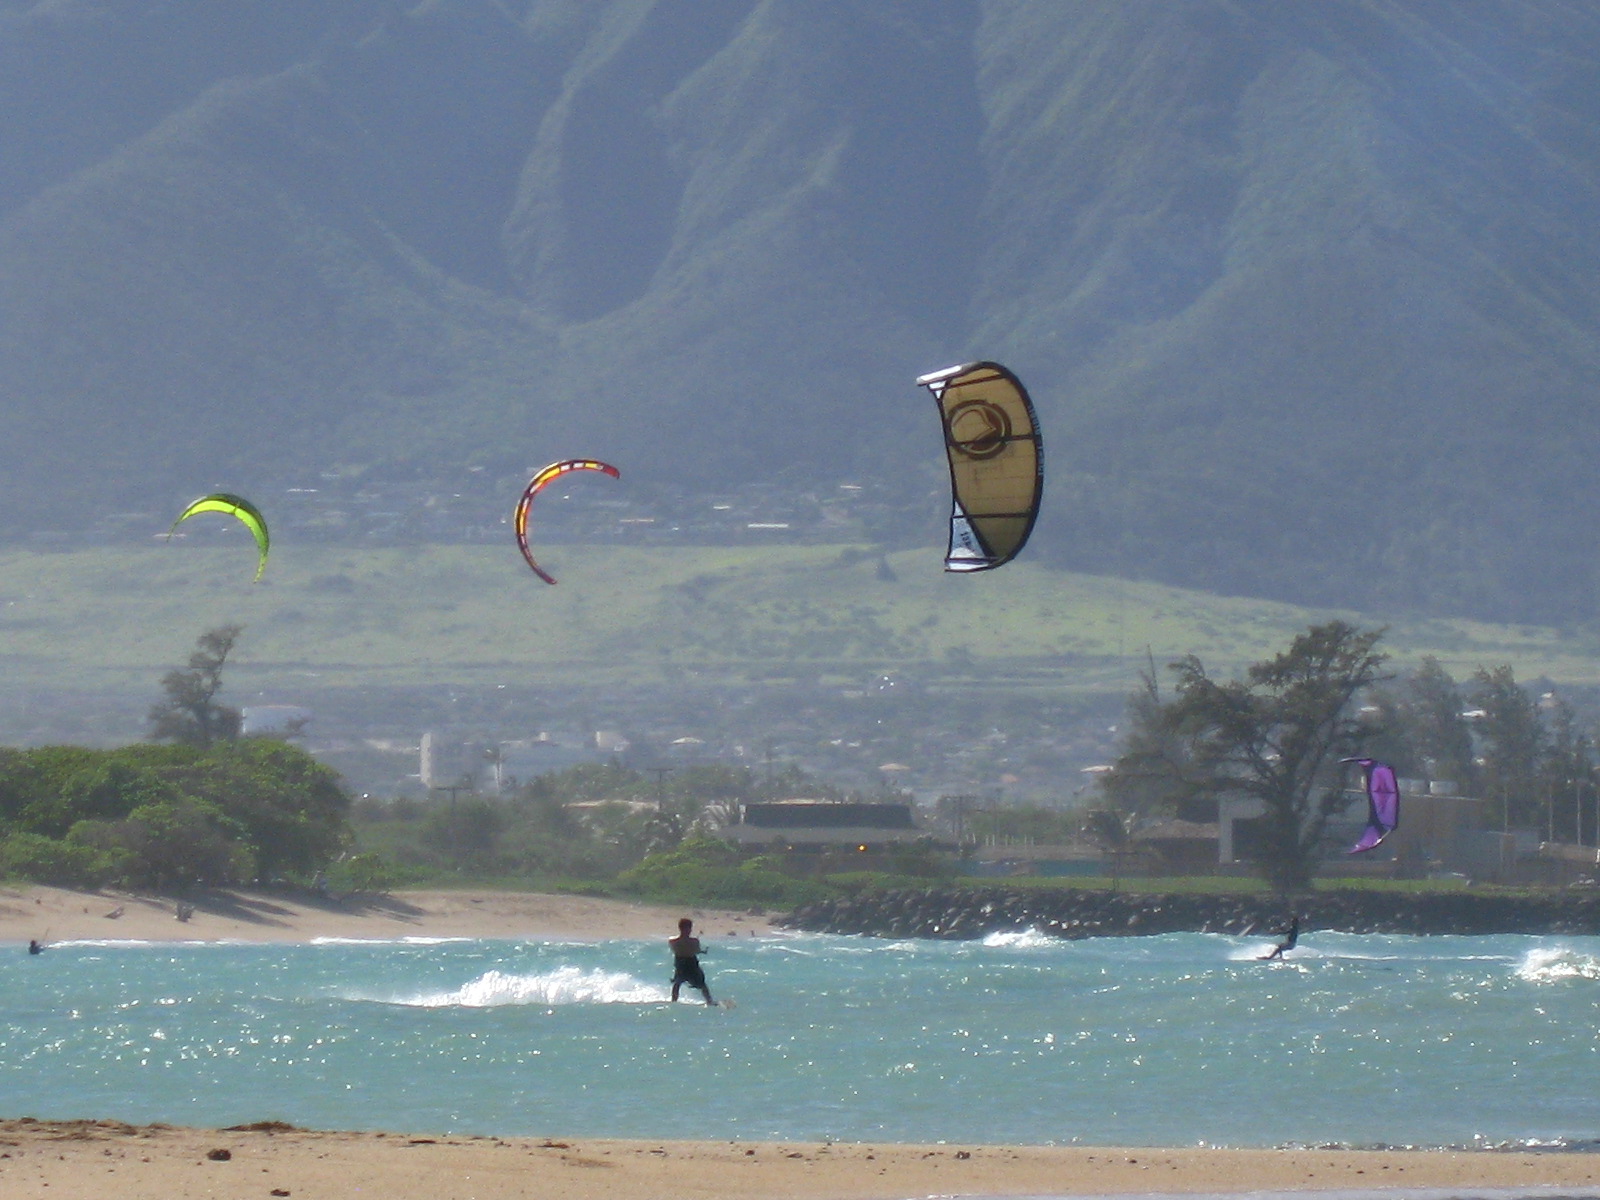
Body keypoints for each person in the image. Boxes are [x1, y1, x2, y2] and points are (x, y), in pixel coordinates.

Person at [668, 917, 716, 1005]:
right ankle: (709, 1001)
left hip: (684, 963)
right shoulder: (693, 941)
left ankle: (709, 1001)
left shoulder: (672, 941)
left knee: (680, 983)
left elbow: (680, 949)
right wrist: (702, 951)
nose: (689, 931)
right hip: (687, 963)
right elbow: (696, 950)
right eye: (688, 928)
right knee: (679, 983)